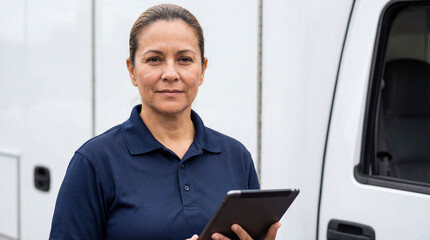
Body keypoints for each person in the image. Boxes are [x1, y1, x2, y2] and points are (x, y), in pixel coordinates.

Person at [49, 4, 280, 240]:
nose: (170, 73)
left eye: (184, 59)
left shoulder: (236, 157)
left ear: (202, 70)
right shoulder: (95, 163)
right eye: (154, 59)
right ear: (132, 71)